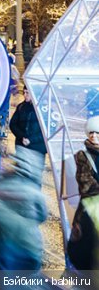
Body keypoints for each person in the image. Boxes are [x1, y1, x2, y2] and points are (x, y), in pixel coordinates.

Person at [68, 116, 99, 272]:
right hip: (89, 208)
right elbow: (85, 183)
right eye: (91, 132)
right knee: (85, 245)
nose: (94, 136)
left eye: (97, 132)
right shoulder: (83, 155)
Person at [9, 87, 46, 186]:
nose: (25, 95)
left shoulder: (44, 109)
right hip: (22, 146)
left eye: (27, 93)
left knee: (35, 178)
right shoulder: (21, 106)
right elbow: (13, 124)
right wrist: (22, 137)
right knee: (21, 175)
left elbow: (46, 131)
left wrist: (31, 140)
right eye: (24, 92)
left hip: (37, 149)